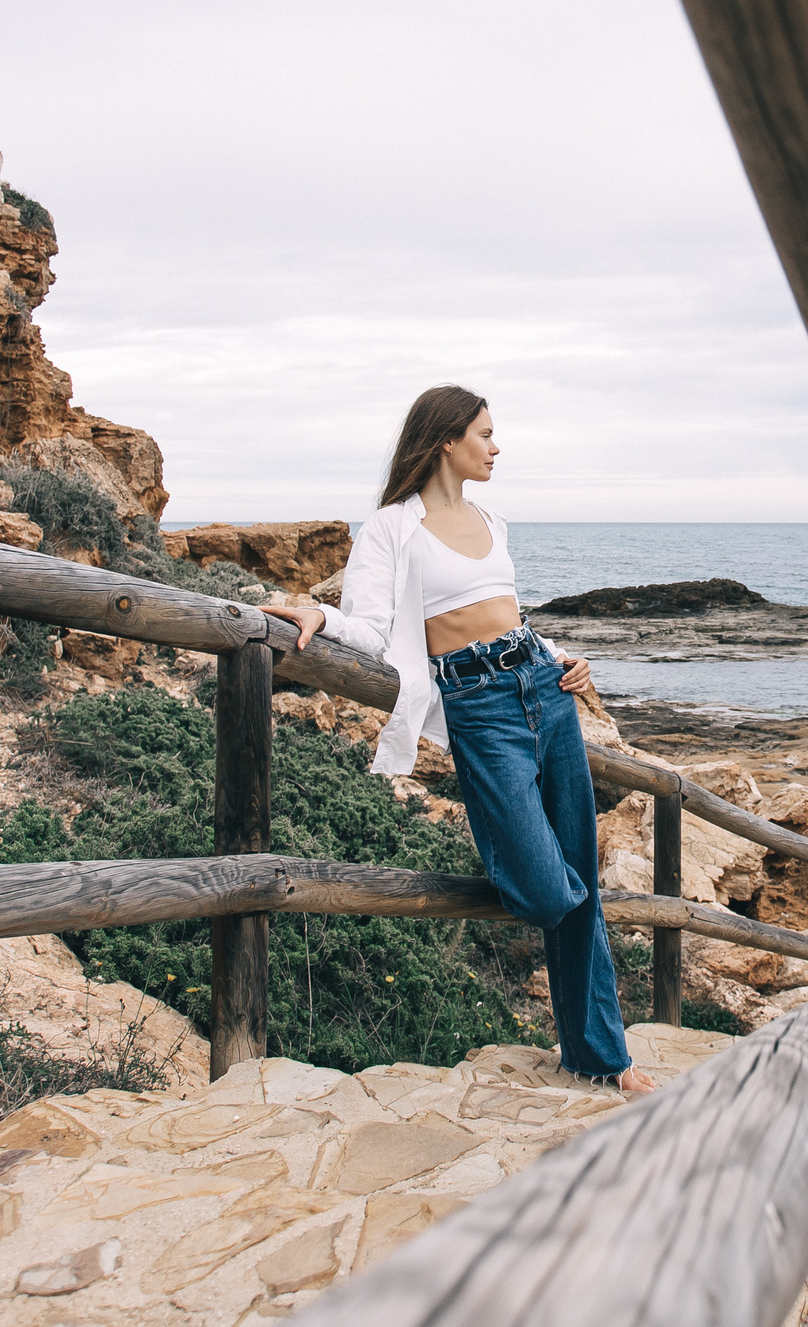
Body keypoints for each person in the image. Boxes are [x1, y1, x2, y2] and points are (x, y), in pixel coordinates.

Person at [260, 385, 658, 1095]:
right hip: (478, 704)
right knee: (547, 887)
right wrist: (316, 613)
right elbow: (375, 626)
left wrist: (565, 655)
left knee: (580, 879)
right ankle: (589, 1000)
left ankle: (603, 1058)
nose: (495, 446)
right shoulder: (389, 527)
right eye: (485, 433)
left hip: (545, 687)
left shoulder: (490, 518)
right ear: (446, 439)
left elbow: (508, 613)